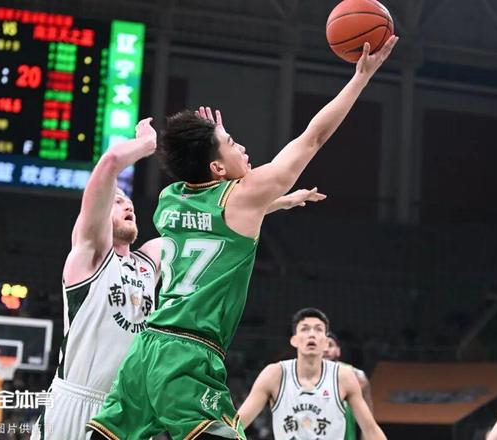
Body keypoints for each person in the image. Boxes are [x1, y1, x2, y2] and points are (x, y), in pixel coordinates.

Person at [87, 36, 398, 440]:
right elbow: (313, 138)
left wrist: (274, 200)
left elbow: (216, 221)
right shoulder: (243, 196)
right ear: (217, 168)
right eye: (232, 144)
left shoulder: (169, 199)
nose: (243, 147)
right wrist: (361, 78)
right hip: (189, 354)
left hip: (145, 351)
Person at [31, 119, 162, 440]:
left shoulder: (148, 263)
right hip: (74, 403)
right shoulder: (89, 254)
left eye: (129, 203)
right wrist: (146, 144)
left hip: (125, 412)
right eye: (117, 201)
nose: (127, 204)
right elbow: (110, 163)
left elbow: (204, 227)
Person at [237, 308, 386, 439]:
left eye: (318, 329)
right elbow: (237, 425)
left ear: (326, 342)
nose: (312, 334)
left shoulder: (343, 376)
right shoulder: (275, 374)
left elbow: (371, 430)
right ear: (294, 340)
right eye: (305, 329)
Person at [324, 332, 374, 440]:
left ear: (338, 351)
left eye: (330, 345)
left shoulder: (357, 376)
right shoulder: (302, 378)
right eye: (322, 345)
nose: (325, 349)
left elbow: (368, 422)